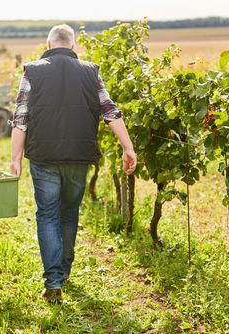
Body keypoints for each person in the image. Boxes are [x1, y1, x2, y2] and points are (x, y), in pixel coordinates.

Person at [9, 24, 137, 303]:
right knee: (69, 214)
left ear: (49, 43)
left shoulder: (32, 70)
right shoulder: (91, 72)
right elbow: (110, 111)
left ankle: (53, 281)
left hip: (43, 157)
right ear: (73, 45)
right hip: (79, 157)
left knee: (47, 215)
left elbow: (21, 117)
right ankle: (63, 272)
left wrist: (15, 158)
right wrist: (128, 147)